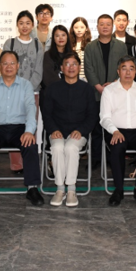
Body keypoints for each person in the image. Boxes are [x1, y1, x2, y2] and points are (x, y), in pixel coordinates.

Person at [0, 51, 44, 207]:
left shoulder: (26, 85)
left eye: (12, 63)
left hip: (19, 128)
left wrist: (29, 131)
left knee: (30, 145)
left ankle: (32, 188)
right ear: (0, 66)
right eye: (5, 63)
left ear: (18, 66)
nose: (9, 66)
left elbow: (31, 109)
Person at [42, 51, 98, 207]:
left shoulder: (87, 89)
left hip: (79, 132)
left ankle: (71, 189)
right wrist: (53, 129)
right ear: (62, 68)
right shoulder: (52, 88)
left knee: (71, 147)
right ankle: (60, 188)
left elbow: (92, 116)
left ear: (79, 67)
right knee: (58, 147)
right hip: (57, 131)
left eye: (74, 64)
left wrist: (81, 130)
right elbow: (47, 114)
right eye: (67, 64)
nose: (71, 67)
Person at [100, 56, 136, 207]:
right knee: (117, 147)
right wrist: (114, 131)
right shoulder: (109, 91)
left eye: (131, 69)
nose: (128, 72)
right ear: (118, 71)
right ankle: (118, 190)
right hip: (116, 130)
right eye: (124, 68)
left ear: (135, 71)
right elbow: (104, 117)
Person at [84, 14, 128, 164]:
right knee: (96, 128)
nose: (105, 27)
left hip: (115, 93)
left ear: (112, 26)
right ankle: (96, 159)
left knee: (113, 126)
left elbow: (124, 67)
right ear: (97, 27)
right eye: (101, 24)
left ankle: (111, 158)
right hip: (96, 93)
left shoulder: (121, 46)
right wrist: (98, 86)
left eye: (108, 24)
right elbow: (88, 68)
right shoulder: (90, 46)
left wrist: (114, 83)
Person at [2, 11, 44, 92]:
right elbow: (5, 68)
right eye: (21, 23)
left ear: (32, 25)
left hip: (32, 91)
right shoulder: (10, 43)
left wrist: (27, 88)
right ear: (17, 25)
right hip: (12, 90)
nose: (24, 26)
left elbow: (38, 71)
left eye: (28, 23)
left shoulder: (38, 45)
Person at [42, 25, 70, 90]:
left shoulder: (73, 55)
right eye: (57, 36)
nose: (61, 38)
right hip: (53, 91)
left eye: (63, 35)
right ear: (53, 39)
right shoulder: (48, 55)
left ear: (67, 37)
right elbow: (48, 78)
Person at [69, 17, 92, 81]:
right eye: (76, 27)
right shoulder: (69, 45)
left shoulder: (91, 45)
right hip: (72, 79)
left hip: (87, 80)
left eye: (82, 27)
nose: (79, 30)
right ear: (72, 29)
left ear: (86, 28)